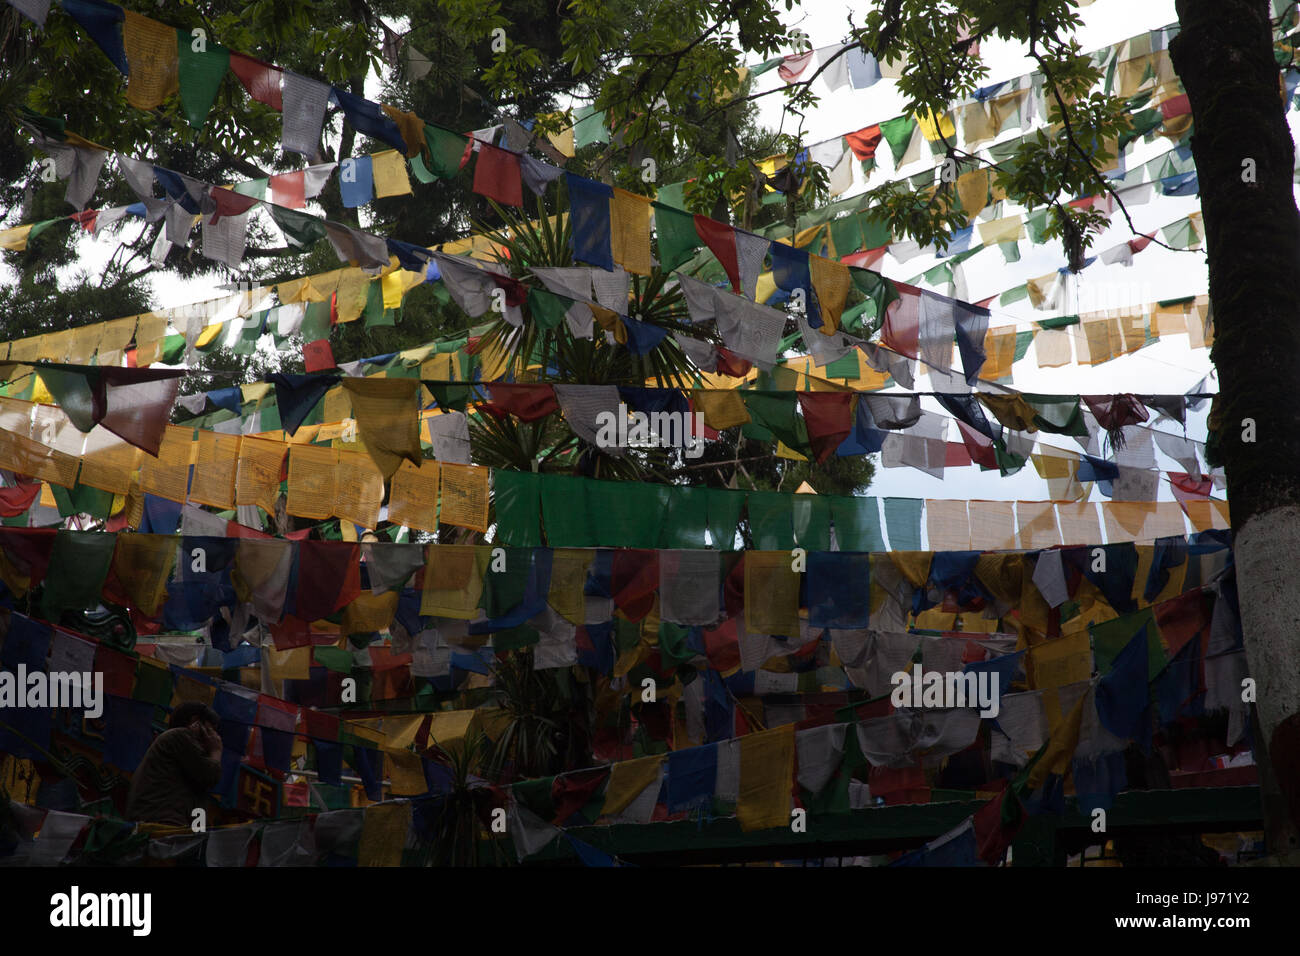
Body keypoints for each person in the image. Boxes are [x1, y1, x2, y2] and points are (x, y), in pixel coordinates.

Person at [125, 702, 223, 828]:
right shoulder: (180, 736)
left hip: (159, 823)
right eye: (211, 730)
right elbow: (210, 775)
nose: (214, 737)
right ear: (196, 722)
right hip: (162, 823)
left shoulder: (178, 743)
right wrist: (216, 751)